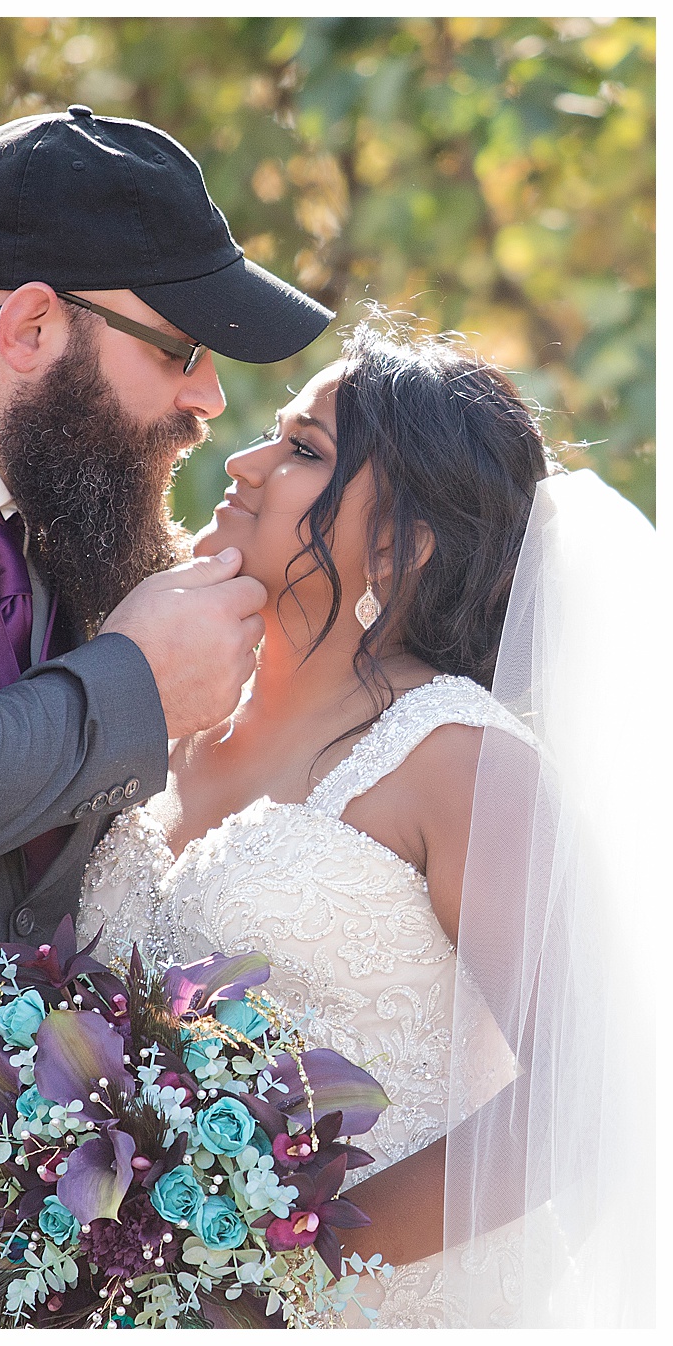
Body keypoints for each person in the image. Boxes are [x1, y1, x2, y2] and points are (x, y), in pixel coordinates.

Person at [0, 106, 332, 1327]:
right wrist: (138, 685)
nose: (207, 401)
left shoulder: (53, 506)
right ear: (32, 323)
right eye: (180, 347)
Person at [78, 318, 657, 1326]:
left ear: (406, 541)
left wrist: (277, 1267)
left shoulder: (457, 759)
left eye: (304, 451)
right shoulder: (166, 712)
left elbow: (586, 1096)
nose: (249, 461)